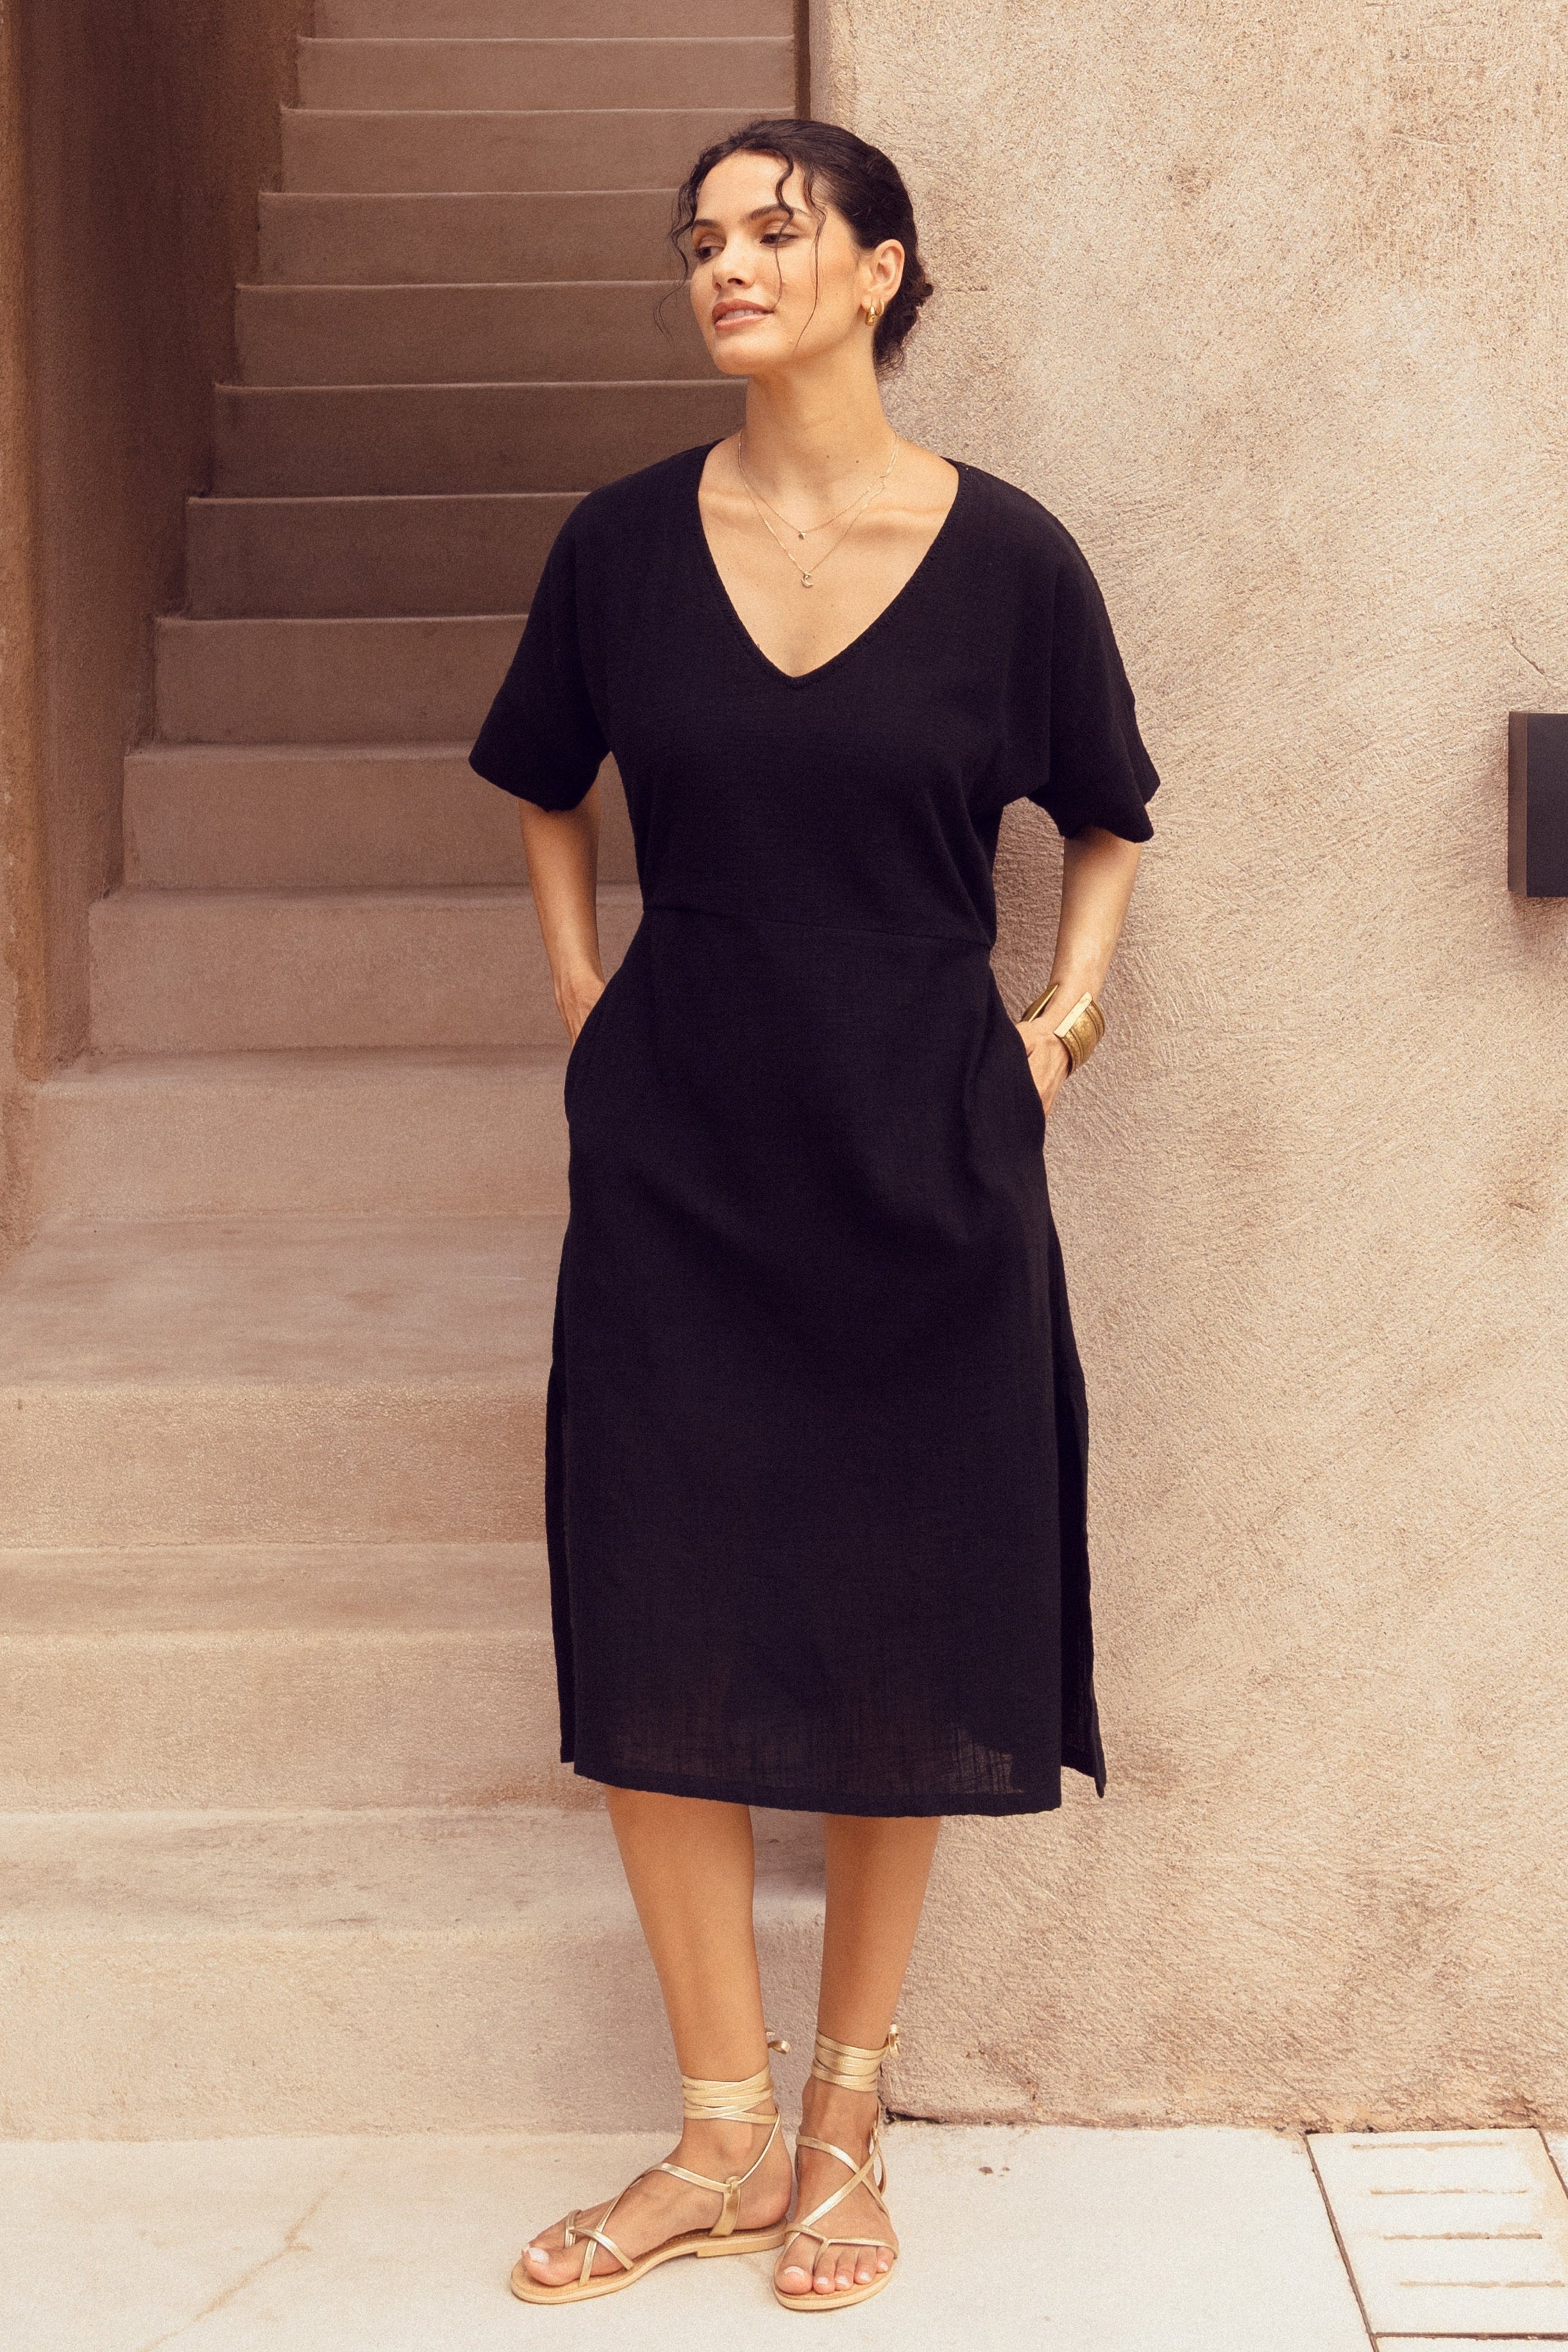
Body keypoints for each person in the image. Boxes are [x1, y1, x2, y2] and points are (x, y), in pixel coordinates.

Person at [468, 115, 1158, 2313]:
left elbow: (1111, 809)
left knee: (897, 1626)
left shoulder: (1012, 559)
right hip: (676, 1164)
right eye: (698, 241)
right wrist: (586, 993)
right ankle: (713, 2134)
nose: (724, 267)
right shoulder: (615, 546)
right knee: (654, 1606)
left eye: (774, 231)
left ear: (881, 270)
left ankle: (845, 2123)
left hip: (926, 1168)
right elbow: (538, 782)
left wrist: (1057, 1023)